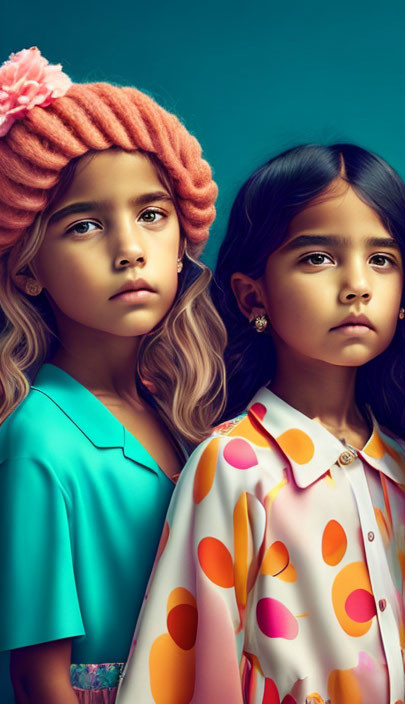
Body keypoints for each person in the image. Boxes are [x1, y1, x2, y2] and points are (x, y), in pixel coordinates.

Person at [117, 143, 405, 703]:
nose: (357, 284)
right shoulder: (234, 467)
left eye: (381, 259)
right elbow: (184, 672)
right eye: (318, 258)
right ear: (251, 296)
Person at [0, 47, 225, 703]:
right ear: (27, 269)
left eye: (151, 214)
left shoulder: (176, 410)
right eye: (85, 224)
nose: (129, 248)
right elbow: (39, 680)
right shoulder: (38, 442)